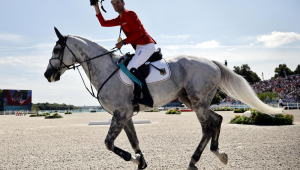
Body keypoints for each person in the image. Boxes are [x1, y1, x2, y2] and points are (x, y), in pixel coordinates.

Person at [90, 0, 156, 107]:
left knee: (131, 66)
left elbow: (139, 32)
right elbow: (104, 23)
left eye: (118, 3)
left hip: (146, 45)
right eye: (113, 4)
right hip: (139, 48)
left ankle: (147, 98)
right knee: (128, 66)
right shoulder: (120, 19)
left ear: (123, 3)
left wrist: (123, 42)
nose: (116, 5)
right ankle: (137, 93)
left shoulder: (130, 14)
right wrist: (96, 6)